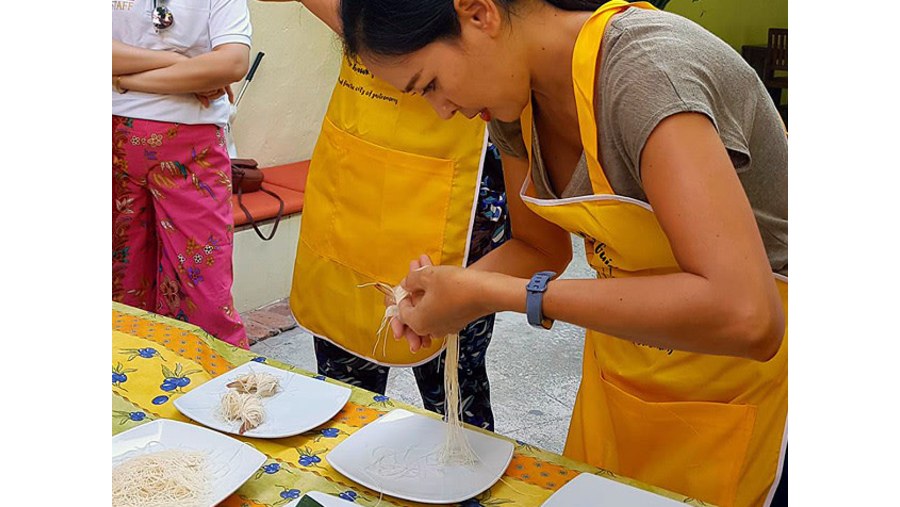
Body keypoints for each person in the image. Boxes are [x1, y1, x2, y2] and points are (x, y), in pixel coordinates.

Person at [337, 1, 788, 506]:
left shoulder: (647, 76)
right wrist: (453, 293)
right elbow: (536, 246)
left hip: (746, 383)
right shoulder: (514, 103)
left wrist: (509, 294)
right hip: (624, 369)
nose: (442, 110)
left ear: (479, 13)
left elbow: (746, 315)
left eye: (431, 83)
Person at [257, 0, 510, 430]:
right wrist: (373, 30)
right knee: (341, 398)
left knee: (453, 386)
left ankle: (463, 483)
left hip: (457, 183)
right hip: (356, 174)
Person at [112, 0, 253, 348]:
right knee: (124, 280)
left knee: (197, 287)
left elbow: (233, 62)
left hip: (162, 141)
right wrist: (182, 65)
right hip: (131, 140)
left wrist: (125, 78)